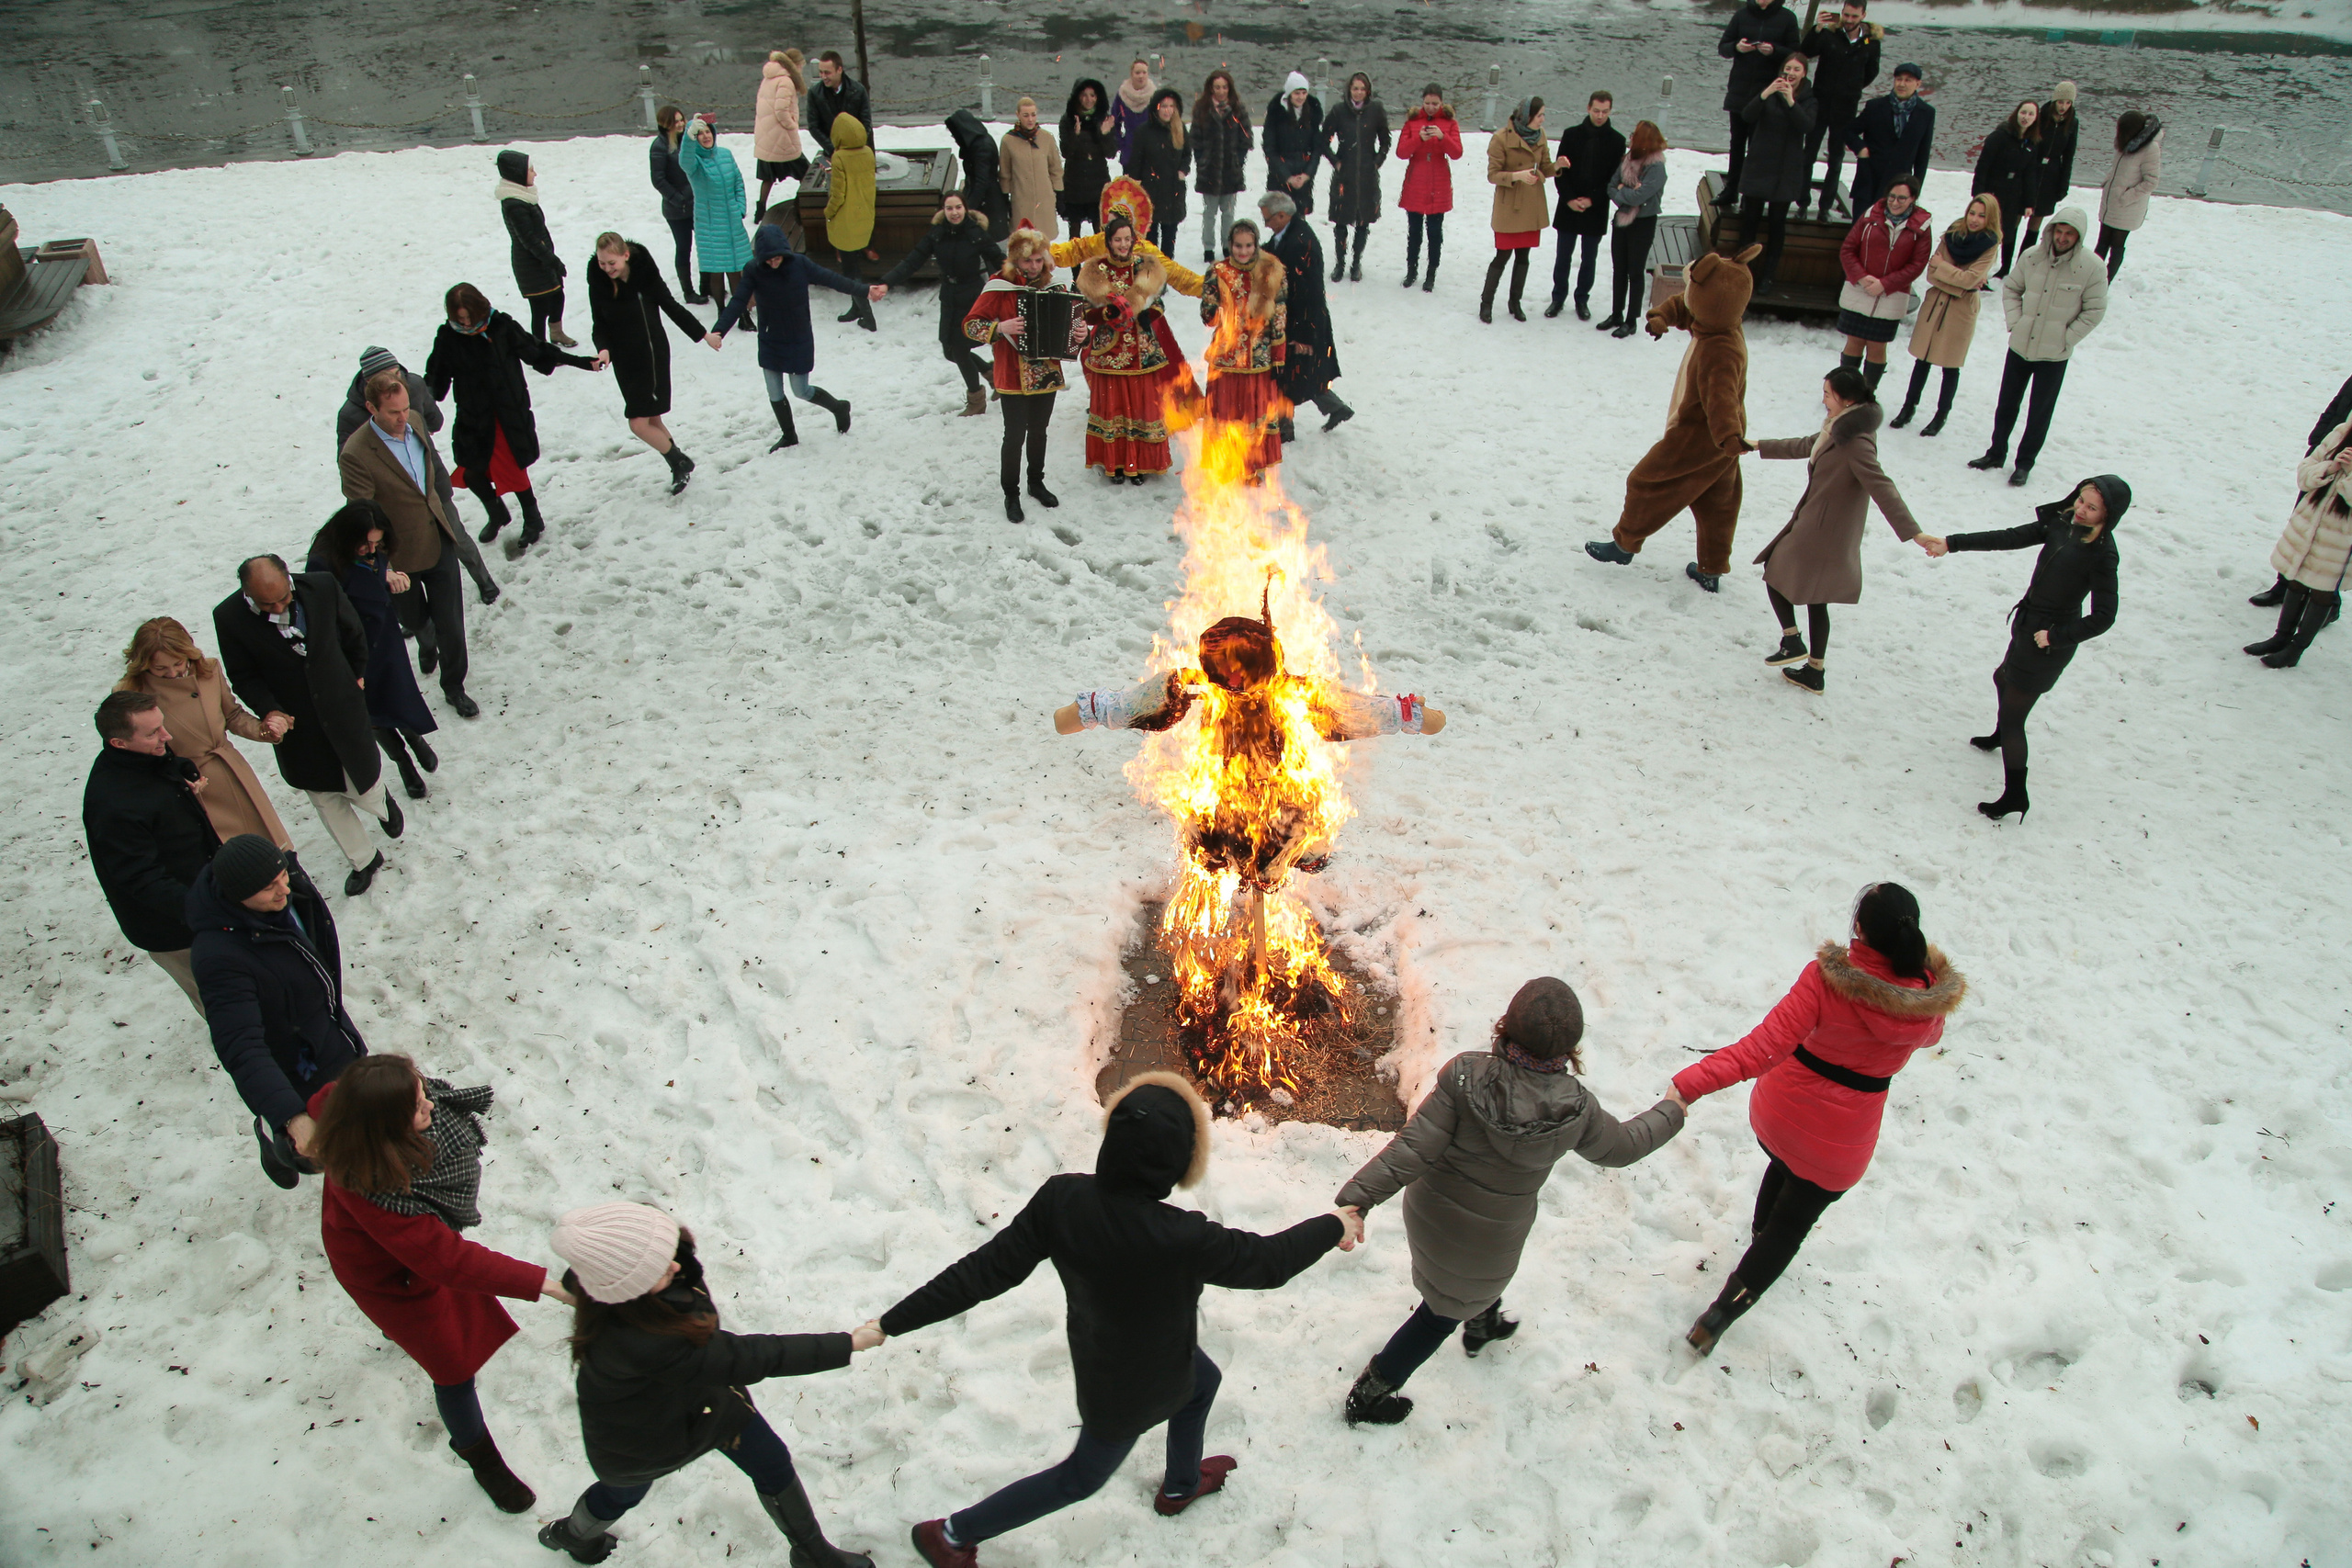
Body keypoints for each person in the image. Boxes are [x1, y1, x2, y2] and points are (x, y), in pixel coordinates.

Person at [884, 1072, 1362, 1568]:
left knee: (1203, 1381)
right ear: (1178, 1165)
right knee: (1080, 1478)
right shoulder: (1180, 1235)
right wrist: (1334, 1223)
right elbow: (1270, 1262)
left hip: (1109, 1351)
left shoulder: (1062, 1200)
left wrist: (891, 1322)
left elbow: (983, 1273)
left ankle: (1180, 1486)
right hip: (1128, 1390)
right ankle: (954, 1535)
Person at [1336, 979, 1684, 1425]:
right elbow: (1624, 1146)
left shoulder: (1466, 1078)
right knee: (1438, 1316)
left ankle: (1482, 1321)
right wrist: (1671, 1110)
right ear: (1570, 1048)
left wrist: (1358, 1201)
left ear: (1507, 1025)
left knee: (1461, 1289)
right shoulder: (1576, 1110)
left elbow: (1411, 1149)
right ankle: (1369, 1395)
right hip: (1490, 1241)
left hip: (1431, 1217)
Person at [1674, 885, 1964, 1354]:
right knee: (1792, 1224)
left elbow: (1759, 1049)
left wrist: (1689, 1084)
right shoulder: (1927, 1007)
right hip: (1840, 1146)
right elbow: (1929, 1039)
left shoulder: (1825, 980)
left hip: (1780, 1114)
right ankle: (1723, 1311)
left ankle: (1756, 1238)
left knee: (1785, 1164)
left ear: (1859, 929)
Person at [537, 1203, 882, 1566]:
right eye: (658, 1270)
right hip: (641, 1439)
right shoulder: (646, 1341)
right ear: (626, 1291)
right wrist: (849, 1343)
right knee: (623, 1493)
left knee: (773, 1463)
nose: (674, 1266)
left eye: (666, 1253)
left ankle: (814, 1554)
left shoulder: (625, 1281)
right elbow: (753, 1356)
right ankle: (571, 1536)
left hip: (710, 1403)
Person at [310, 1055, 576, 1514]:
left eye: (421, 1092)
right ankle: (481, 1458)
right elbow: (446, 1261)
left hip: (407, 1255)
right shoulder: (377, 1194)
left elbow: (320, 1100)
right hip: (393, 1280)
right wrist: (547, 1286)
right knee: (452, 1370)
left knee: (441, 1338)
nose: (431, 1106)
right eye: (417, 1108)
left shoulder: (350, 1110)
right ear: (384, 1130)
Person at [1916, 474, 2129, 820]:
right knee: (2003, 678)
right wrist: (1951, 543)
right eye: (2081, 501)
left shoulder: (2102, 554)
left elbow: (2105, 616)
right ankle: (2001, 734)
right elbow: (2011, 537)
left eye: (2092, 508)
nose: (2081, 510)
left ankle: (2015, 794)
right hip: (2028, 626)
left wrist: (2056, 636)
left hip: (2047, 643)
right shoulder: (2061, 524)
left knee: (2016, 715)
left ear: (2109, 514)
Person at [213, 555, 403, 893]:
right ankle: (363, 859)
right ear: (246, 593)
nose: (277, 607)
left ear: (288, 578)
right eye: (265, 603)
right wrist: (270, 711)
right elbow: (243, 675)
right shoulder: (228, 617)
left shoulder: (321, 586)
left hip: (342, 705)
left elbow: (352, 631)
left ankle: (381, 802)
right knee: (324, 796)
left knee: (362, 781)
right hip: (296, 725)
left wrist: (357, 673)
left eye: (283, 598)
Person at [187, 833, 363, 1187]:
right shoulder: (219, 958)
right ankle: (275, 1140)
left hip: (328, 1034)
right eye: (270, 887)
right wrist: (289, 1116)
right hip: (296, 1066)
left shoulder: (279, 891)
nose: (284, 889)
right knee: (330, 1147)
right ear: (238, 896)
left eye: (282, 875)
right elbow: (241, 1046)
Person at [1587, 245, 1762, 592]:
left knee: (1645, 481)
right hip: (1723, 443)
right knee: (1718, 503)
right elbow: (1688, 305)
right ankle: (1711, 568)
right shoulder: (1722, 320)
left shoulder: (1721, 350)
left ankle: (1624, 544)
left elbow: (1722, 398)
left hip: (1701, 435)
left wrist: (1727, 436)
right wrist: (1663, 316)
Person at [1748, 366, 1929, 693]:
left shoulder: (1856, 440)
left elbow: (1880, 484)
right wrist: (1757, 445)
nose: (1823, 401)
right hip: (1822, 522)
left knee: (1774, 568)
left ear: (1846, 401)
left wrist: (1913, 532)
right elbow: (1808, 444)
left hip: (1824, 528)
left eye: (1828, 395)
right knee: (1818, 598)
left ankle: (1792, 642)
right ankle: (1813, 671)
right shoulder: (1841, 427)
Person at [338, 370, 479, 718]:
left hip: (437, 537)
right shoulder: (355, 453)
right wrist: (383, 566)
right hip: (398, 555)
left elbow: (431, 468)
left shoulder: (415, 421)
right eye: (393, 413)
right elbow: (363, 514)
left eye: (404, 409)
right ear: (371, 408)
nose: (402, 418)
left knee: (451, 622)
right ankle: (425, 638)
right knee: (416, 618)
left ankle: (454, 686)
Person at [425, 282, 596, 553]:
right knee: (471, 472)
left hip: (506, 414)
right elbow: (436, 377)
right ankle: (497, 513)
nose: (467, 323)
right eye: (460, 319)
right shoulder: (448, 336)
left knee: (512, 469)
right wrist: (418, 405)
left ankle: (533, 519)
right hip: (472, 416)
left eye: (470, 316)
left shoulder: (500, 326)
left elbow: (536, 351)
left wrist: (582, 362)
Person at [84, 691, 220, 1018]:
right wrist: (203, 909)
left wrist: (184, 769)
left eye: (162, 726)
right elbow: (140, 878)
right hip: (174, 927)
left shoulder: (145, 754)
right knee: (219, 998)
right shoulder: (113, 805)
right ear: (119, 743)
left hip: (205, 897)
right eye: (153, 733)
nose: (167, 736)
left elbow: (166, 763)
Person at [334, 347, 500, 608]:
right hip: (392, 502)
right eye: (387, 377)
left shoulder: (414, 385)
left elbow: (435, 421)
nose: (396, 382)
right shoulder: (351, 415)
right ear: (369, 387)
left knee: (456, 535)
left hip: (431, 484)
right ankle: (413, 613)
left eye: (397, 373)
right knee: (398, 553)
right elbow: (348, 461)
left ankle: (485, 581)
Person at [118, 617, 295, 852]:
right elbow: (134, 751)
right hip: (185, 786)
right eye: (160, 668)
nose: (172, 673)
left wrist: (265, 730)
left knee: (268, 847)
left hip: (229, 772)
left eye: (178, 663)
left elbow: (231, 715)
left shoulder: (208, 671)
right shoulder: (129, 692)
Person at [307, 502, 441, 800]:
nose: (371, 549)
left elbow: (374, 570)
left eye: (377, 543)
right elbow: (326, 612)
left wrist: (389, 574)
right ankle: (403, 762)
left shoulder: (371, 550)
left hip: (385, 637)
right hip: (354, 649)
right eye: (365, 543)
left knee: (399, 693)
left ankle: (414, 737)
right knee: (373, 712)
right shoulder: (322, 562)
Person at [1967, 205, 2107, 488]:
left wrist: (2066, 338)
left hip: (2054, 356)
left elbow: (2095, 311)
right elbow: (2012, 288)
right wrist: (2016, 323)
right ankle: (1996, 453)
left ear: (2078, 237)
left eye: (2069, 234)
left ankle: (2024, 464)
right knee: (2007, 404)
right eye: (2059, 231)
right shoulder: (2031, 257)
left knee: (2039, 411)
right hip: (2020, 346)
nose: (2062, 238)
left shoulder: (2092, 268)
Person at [709, 222, 864, 449]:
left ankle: (838, 407)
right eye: (768, 260)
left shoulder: (800, 264)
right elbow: (739, 300)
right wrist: (719, 330)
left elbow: (832, 279)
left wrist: (865, 290)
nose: (773, 263)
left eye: (777, 258)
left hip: (798, 337)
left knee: (801, 390)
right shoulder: (754, 270)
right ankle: (789, 435)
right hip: (770, 338)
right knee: (774, 392)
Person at [967, 223, 1081, 522]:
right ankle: (1011, 493)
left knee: (1040, 432)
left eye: (1038, 260)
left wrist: (1081, 335)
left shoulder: (1056, 287)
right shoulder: (999, 286)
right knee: (1014, 435)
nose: (1033, 266)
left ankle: (1035, 482)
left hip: (1045, 374)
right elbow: (970, 325)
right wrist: (998, 328)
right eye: (1027, 260)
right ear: (1016, 260)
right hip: (1012, 375)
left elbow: (1073, 331)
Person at [1070, 213, 1195, 484]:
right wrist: (1106, 315)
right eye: (1118, 240)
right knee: (1113, 409)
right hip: (1109, 353)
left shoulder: (1147, 267)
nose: (1123, 244)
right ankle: (1114, 463)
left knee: (1140, 408)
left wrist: (1148, 314)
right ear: (1109, 241)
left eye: (1127, 239)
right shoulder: (1094, 271)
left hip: (1142, 350)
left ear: (1134, 240)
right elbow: (1083, 311)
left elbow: (1159, 301)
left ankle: (1138, 462)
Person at [586, 231, 707, 494]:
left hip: (650, 356)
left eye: (612, 263)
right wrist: (603, 349)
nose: (607, 269)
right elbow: (599, 322)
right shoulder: (598, 281)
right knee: (652, 419)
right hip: (624, 359)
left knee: (637, 423)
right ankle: (678, 464)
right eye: (602, 263)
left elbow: (671, 306)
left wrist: (703, 334)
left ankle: (679, 461)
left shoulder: (645, 276)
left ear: (626, 256)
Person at [880, 189, 1004, 416]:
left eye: (958, 207)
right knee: (950, 351)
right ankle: (991, 373)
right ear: (943, 211)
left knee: (960, 347)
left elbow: (1000, 260)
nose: (954, 212)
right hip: (949, 295)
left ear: (965, 209)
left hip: (972, 297)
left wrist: (1024, 277)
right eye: (949, 208)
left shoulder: (975, 233)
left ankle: (976, 400)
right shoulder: (936, 234)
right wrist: (887, 283)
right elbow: (912, 261)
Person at [2242, 417, 2352, 670]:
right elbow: (2306, 469)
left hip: (2341, 537)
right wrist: (2330, 468)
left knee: (2322, 590)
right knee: (2295, 578)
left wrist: (2349, 475)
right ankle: (2280, 637)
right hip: (2308, 523)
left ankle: (2295, 650)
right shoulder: (2341, 432)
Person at [1891, 193, 1999, 434]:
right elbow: (1932, 274)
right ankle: (1908, 408)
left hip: (1961, 310)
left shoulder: (1990, 245)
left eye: (1981, 215)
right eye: (1972, 212)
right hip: (1935, 303)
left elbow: (1969, 280)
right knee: (1923, 359)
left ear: (1989, 218)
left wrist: (1946, 270)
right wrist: (1959, 280)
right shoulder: (1952, 235)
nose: (1974, 219)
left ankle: (1941, 416)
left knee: (1950, 365)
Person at [1198, 220, 1287, 484]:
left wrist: (1278, 353)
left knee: (1253, 416)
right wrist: (1214, 311)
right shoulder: (1217, 271)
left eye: (1249, 245)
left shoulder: (1270, 271)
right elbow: (1207, 313)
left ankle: (1250, 466)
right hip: (1226, 356)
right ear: (1230, 245)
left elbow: (1280, 314)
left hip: (1258, 358)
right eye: (1238, 246)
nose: (1244, 251)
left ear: (1256, 245)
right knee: (1225, 414)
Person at [1259, 191, 1351, 436]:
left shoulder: (1299, 242)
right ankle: (1334, 408)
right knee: (1302, 374)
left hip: (1301, 321)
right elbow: (1271, 251)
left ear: (1281, 215)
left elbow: (1307, 292)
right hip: (1298, 319)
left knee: (1287, 374)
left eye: (1267, 218)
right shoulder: (1289, 233)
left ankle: (1284, 428)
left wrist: (1302, 335)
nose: (1265, 223)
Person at [1833, 175, 1929, 393]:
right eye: (1892, 197)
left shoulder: (1921, 228)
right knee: (1854, 342)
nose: (1895, 203)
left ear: (1913, 199)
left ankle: (1866, 394)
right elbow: (1848, 249)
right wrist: (1861, 276)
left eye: (1902, 198)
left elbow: (1917, 264)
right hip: (1860, 290)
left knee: (1877, 346)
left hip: (1890, 295)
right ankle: (1844, 392)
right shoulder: (1870, 217)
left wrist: (1885, 284)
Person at [1732, 56, 1816, 297]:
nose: (1790, 73)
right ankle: (1741, 272)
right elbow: (1747, 115)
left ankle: (1768, 276)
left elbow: (1806, 126)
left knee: (1777, 225)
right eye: (1787, 68)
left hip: (1785, 168)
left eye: (1796, 69)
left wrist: (1791, 101)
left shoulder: (1809, 98)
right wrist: (1765, 93)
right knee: (1750, 221)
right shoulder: (1768, 90)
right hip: (1760, 163)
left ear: (1803, 73)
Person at [1546, 91, 1623, 320]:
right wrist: (1569, 198)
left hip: (1596, 207)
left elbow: (1613, 178)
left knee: (1589, 258)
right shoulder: (1571, 135)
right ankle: (1558, 298)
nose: (1600, 116)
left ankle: (1582, 300)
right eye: (1596, 111)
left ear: (1610, 111)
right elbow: (1561, 171)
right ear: (1588, 108)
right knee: (1563, 256)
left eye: (1605, 112)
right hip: (1569, 204)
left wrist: (1592, 199)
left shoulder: (1617, 141)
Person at [1800, 0, 1881, 218]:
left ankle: (1825, 207)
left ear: (1863, 15)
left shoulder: (1871, 43)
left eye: (1854, 16)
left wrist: (1851, 88)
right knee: (1808, 155)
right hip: (1820, 102)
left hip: (1845, 108)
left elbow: (1871, 72)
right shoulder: (1829, 35)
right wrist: (1816, 29)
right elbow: (1805, 52)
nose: (1849, 20)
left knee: (1835, 160)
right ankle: (1802, 203)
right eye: (1846, 15)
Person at [1482, 98, 1558, 324]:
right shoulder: (1501, 139)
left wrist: (1558, 167)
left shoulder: (1541, 136)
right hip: (1510, 205)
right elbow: (1493, 175)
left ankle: (1515, 302)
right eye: (1539, 116)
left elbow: (1545, 167)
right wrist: (1517, 176)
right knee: (1502, 255)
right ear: (1527, 117)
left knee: (1524, 255)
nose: (1543, 120)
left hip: (1531, 204)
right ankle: (1486, 303)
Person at [1719, 0, 1802, 195]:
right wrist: (1737, 48)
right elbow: (1723, 47)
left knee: (1759, 146)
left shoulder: (1787, 18)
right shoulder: (1741, 15)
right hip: (1740, 90)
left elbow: (1796, 54)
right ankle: (1731, 189)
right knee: (1737, 143)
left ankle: (1752, 194)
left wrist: (1774, 51)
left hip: (1768, 92)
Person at [494, 150, 573, 345]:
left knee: (557, 296)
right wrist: (553, 261)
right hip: (531, 265)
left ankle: (556, 333)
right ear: (517, 173)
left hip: (542, 259)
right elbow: (529, 240)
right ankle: (541, 348)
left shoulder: (524, 196)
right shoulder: (515, 204)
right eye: (530, 170)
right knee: (540, 308)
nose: (535, 174)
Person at [679, 115, 755, 317]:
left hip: (732, 220)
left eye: (707, 131)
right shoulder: (694, 163)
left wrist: (740, 207)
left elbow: (738, 181)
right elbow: (684, 159)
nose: (705, 136)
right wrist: (689, 136)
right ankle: (723, 312)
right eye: (700, 133)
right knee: (717, 270)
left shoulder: (725, 154)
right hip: (710, 223)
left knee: (736, 269)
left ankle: (742, 314)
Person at [1599, 119, 1668, 335]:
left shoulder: (1656, 167)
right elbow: (1611, 186)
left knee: (1635, 272)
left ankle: (1632, 320)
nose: (1630, 138)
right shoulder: (1628, 160)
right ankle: (1616, 313)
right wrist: (1626, 193)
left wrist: (1624, 192)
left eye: (1634, 135)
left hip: (1643, 223)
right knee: (1619, 269)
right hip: (1622, 220)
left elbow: (1641, 195)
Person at [1322, 72, 1390, 284]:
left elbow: (1386, 140)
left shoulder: (1376, 110)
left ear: (1367, 91)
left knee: (1363, 221)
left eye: (1362, 89)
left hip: (1367, 175)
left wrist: (1376, 162)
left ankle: (1356, 263)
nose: (1358, 93)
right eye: (1355, 89)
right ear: (1349, 90)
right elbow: (1324, 139)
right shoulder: (1339, 111)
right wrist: (1336, 161)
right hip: (1345, 175)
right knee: (1341, 221)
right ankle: (1340, 263)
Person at [1396, 84, 1461, 292]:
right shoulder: (1413, 122)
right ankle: (1412, 270)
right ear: (1422, 102)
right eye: (1428, 103)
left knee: (1435, 231)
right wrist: (1418, 138)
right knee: (1414, 230)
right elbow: (1401, 152)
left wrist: (1442, 137)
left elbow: (1457, 152)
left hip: (1439, 181)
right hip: (1416, 181)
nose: (1431, 107)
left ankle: (1431, 272)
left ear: (1441, 103)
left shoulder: (1449, 123)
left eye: (1435, 103)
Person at [1844, 62, 1933, 213]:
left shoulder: (1926, 113)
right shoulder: (1875, 106)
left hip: (1900, 186)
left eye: (1908, 80)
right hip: (1869, 179)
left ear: (1918, 84)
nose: (1902, 84)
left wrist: (1915, 189)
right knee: (1860, 230)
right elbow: (1848, 131)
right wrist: (1861, 149)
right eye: (1899, 79)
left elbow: (1922, 155)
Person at [820, 112, 880, 330]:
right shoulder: (867, 153)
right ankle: (856, 308)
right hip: (864, 216)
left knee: (850, 272)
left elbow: (838, 195)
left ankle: (867, 316)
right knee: (855, 265)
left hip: (845, 221)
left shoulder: (839, 158)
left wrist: (828, 212)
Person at [1972, 101, 2043, 277]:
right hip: (1993, 190)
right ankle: (1979, 269)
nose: (2026, 117)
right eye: (2023, 113)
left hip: (2014, 193)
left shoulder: (2032, 142)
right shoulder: (1999, 136)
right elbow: (1983, 166)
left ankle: (2004, 269)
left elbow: (2030, 173)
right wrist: (1978, 195)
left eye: (2030, 114)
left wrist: (2029, 202)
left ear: (2036, 118)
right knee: (1987, 231)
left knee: (2009, 231)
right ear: (2016, 113)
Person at [1192, 70, 1253, 264]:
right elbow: (1195, 139)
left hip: (1230, 170)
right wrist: (1202, 161)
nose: (1221, 91)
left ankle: (1228, 246)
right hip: (1208, 170)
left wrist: (1237, 160)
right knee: (1209, 212)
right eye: (1217, 87)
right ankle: (1208, 247)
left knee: (1228, 212)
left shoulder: (1237, 109)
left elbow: (1246, 138)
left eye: (1224, 87)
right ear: (1211, 88)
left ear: (1229, 88)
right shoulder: (1202, 109)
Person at [2097, 110, 2162, 281]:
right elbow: (2118, 168)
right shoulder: (2124, 143)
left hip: (2126, 207)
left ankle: (2106, 281)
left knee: (2116, 246)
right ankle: (2092, 278)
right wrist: (2108, 182)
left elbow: (2151, 181)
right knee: (2102, 242)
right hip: (2111, 202)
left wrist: (2125, 197)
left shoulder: (2150, 148)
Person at [1125, 88, 1191, 256]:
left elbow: (1187, 154)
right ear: (1156, 108)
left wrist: (1182, 171)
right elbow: (1135, 162)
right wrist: (1136, 187)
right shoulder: (1144, 131)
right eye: (1164, 106)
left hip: (1172, 191)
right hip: (1150, 192)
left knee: (1169, 241)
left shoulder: (1180, 128)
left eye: (1171, 106)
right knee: (1150, 242)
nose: (1168, 110)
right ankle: (1150, 277)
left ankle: (1165, 277)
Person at [649, 106, 703, 302]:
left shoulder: (687, 141)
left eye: (682, 119)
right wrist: (678, 198)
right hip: (677, 209)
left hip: (696, 203)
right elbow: (658, 179)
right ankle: (688, 291)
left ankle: (707, 285)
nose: (680, 124)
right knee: (683, 247)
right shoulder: (660, 146)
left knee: (704, 244)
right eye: (676, 121)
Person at [999, 97, 1064, 241]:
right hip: (1021, 200)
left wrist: (1059, 194)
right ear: (1018, 115)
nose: (1030, 119)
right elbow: (1005, 173)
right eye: (1026, 115)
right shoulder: (1008, 141)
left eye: (1033, 114)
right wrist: (1005, 198)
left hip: (1044, 200)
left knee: (1044, 243)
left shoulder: (1046, 138)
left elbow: (1055, 169)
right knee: (1024, 243)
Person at [2028, 81, 2081, 254]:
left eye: (2068, 103)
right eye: (2060, 102)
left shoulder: (2072, 123)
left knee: (2037, 220)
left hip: (2052, 174)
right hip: (2033, 170)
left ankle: (2024, 259)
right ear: (2054, 101)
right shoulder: (2041, 116)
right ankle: (2005, 265)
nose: (2063, 106)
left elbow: (2068, 156)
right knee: (2015, 217)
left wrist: (2063, 185)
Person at [753, 49, 808, 215]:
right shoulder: (786, 81)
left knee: (768, 177)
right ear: (796, 65)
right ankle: (805, 206)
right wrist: (792, 125)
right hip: (782, 137)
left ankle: (760, 212)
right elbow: (781, 111)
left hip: (767, 137)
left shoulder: (769, 78)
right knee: (805, 174)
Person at [1058, 79, 1115, 239]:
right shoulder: (1068, 119)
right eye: (1084, 95)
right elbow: (1066, 152)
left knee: (1100, 231)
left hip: (1098, 182)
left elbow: (1111, 153)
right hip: (1075, 182)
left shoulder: (1104, 118)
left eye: (1092, 95)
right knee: (1074, 232)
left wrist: (1104, 134)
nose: (1088, 99)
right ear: (1077, 96)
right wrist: (1075, 135)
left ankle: (1099, 263)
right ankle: (1075, 264)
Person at [1263, 72, 1324, 218]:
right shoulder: (1276, 114)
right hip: (1280, 177)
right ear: (1290, 94)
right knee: (1279, 221)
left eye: (1304, 93)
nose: (1301, 97)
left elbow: (1317, 149)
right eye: (1297, 93)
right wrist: (1287, 176)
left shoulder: (1312, 114)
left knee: (1299, 224)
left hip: (1303, 177)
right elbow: (1270, 150)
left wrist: (1307, 175)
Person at [805, 51, 870, 161]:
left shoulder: (858, 91)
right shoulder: (814, 93)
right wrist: (832, 149)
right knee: (831, 175)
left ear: (839, 70)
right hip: (830, 154)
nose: (823, 76)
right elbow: (814, 127)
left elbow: (866, 124)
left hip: (856, 152)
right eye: (821, 72)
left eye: (827, 73)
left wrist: (853, 147)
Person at [1111, 57, 1157, 159]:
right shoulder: (1122, 95)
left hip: (1151, 152)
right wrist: (1122, 143)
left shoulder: (1155, 95)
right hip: (1130, 151)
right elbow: (1114, 122)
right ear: (1131, 74)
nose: (1141, 76)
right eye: (1137, 73)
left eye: (1144, 72)